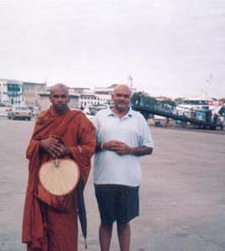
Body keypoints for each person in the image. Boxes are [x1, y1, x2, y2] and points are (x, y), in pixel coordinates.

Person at [22, 84, 96, 251]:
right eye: (56, 96)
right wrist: (42, 144)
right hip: (44, 181)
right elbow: (30, 149)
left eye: (63, 97)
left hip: (66, 185)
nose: (60, 100)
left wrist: (68, 150)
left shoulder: (79, 119)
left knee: (64, 231)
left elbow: (90, 147)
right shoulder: (43, 119)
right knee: (42, 222)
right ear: (50, 98)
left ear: (69, 98)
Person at [93, 84, 154, 251]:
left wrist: (130, 150)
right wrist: (104, 145)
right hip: (103, 179)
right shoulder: (100, 117)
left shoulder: (139, 119)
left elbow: (149, 147)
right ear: (112, 97)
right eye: (118, 95)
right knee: (106, 221)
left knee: (123, 222)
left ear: (130, 99)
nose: (121, 98)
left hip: (129, 180)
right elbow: (88, 145)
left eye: (125, 96)